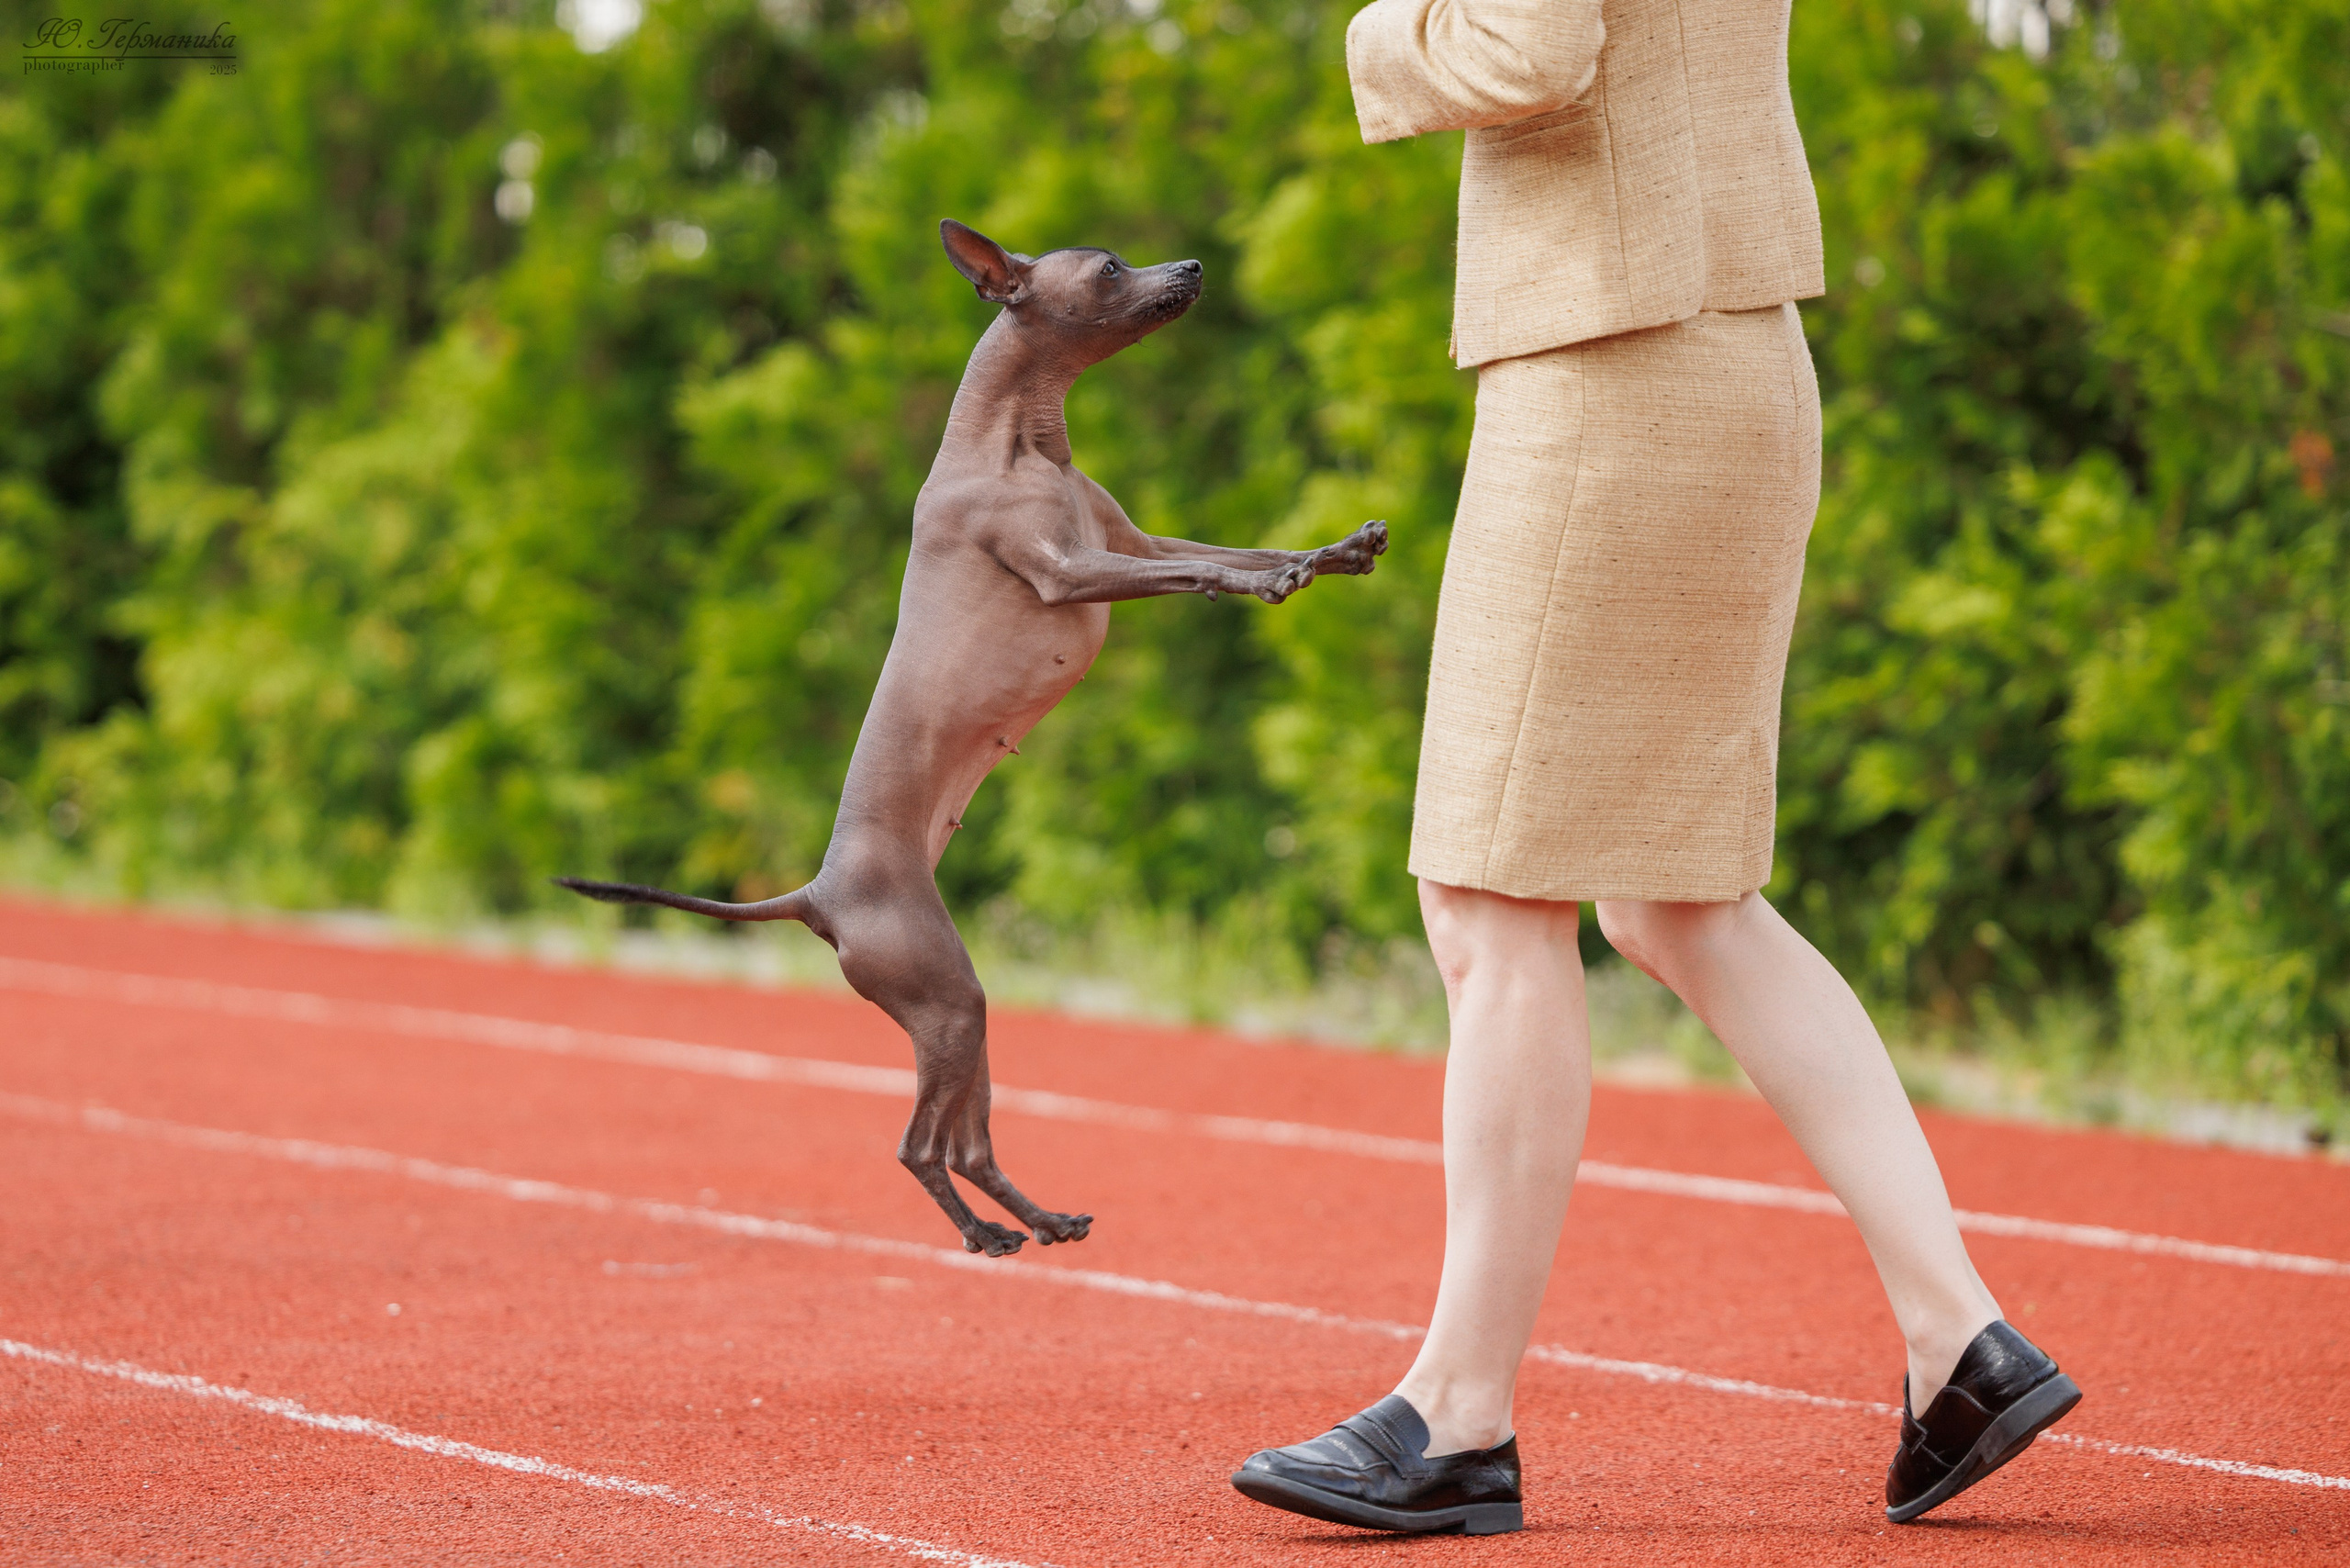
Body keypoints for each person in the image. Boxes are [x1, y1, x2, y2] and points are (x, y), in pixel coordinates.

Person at [1230, 0, 2082, 1537]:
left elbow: (1529, 50)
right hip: (1730, 356)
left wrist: (1378, 35)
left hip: (1612, 372)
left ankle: (1457, 1417)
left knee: (1491, 898)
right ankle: (1961, 1339)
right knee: (1685, 904)